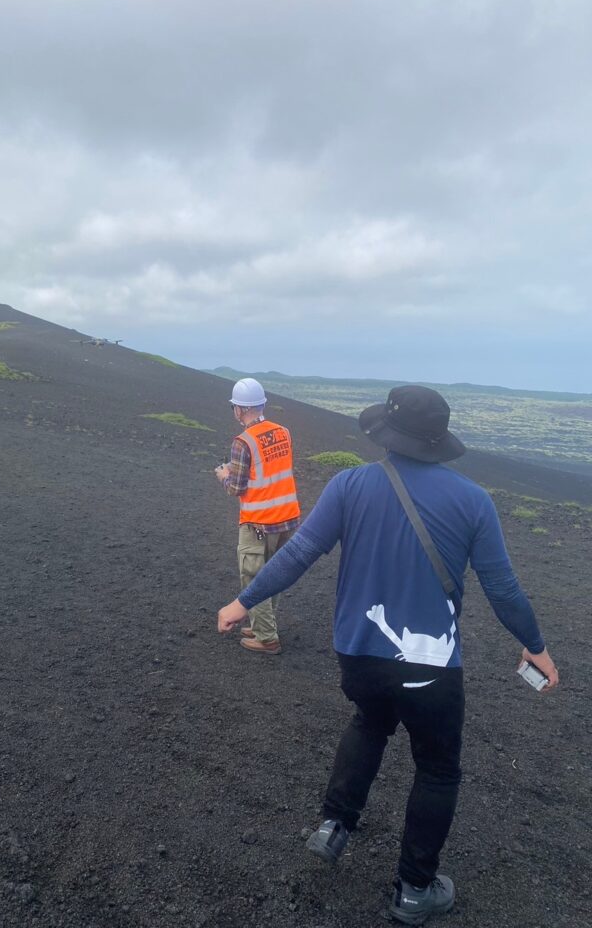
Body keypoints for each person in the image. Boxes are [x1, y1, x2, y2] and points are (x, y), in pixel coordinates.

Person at [217, 384, 558, 924]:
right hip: (432, 671)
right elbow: (504, 588)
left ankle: (334, 825)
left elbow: (301, 552)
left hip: (358, 656)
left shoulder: (349, 484)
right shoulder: (473, 501)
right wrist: (535, 647)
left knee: (369, 723)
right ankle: (415, 890)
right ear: (439, 439)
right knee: (438, 769)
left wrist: (243, 600)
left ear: (386, 434)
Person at [215, 377, 301, 654]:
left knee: (254, 576)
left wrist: (224, 475)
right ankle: (261, 622)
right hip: (286, 518)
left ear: (239, 409)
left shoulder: (243, 442)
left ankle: (266, 637)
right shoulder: (283, 431)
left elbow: (237, 488)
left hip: (258, 522)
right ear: (262, 404)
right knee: (273, 574)